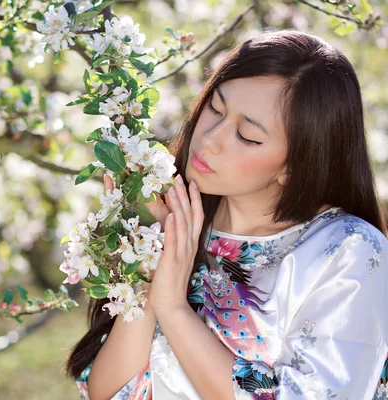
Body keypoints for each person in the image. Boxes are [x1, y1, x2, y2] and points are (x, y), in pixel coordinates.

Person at [64, 30, 388, 400]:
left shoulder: (348, 252)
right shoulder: (180, 229)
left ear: (296, 165)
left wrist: (173, 307)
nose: (211, 137)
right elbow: (107, 395)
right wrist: (150, 265)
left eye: (247, 136)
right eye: (215, 108)